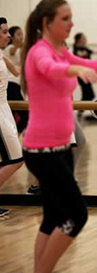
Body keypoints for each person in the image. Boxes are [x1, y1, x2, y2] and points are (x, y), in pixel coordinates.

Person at [20, 0, 97, 273]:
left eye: (71, 17)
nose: (71, 23)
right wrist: (76, 69)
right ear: (46, 23)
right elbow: (49, 69)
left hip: (61, 148)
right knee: (76, 214)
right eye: (65, 18)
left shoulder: (61, 51)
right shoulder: (39, 52)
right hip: (42, 152)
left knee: (52, 218)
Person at [0, 17, 24, 216]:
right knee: (15, 159)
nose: (8, 35)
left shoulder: (1, 56)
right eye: (5, 31)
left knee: (13, 159)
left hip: (4, 110)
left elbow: (17, 71)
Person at [3, 25, 29, 134]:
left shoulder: (20, 51)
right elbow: (13, 50)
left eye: (22, 33)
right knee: (24, 116)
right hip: (10, 86)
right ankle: (12, 139)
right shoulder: (9, 49)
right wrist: (17, 45)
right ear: (11, 37)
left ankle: (12, 138)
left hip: (15, 87)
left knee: (17, 118)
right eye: (18, 34)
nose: (21, 36)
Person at [73, 32, 95, 105]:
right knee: (87, 94)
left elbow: (93, 53)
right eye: (84, 38)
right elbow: (78, 58)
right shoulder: (75, 48)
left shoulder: (85, 48)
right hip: (81, 74)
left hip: (87, 73)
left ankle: (80, 110)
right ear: (79, 39)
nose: (85, 40)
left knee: (90, 95)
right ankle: (80, 109)